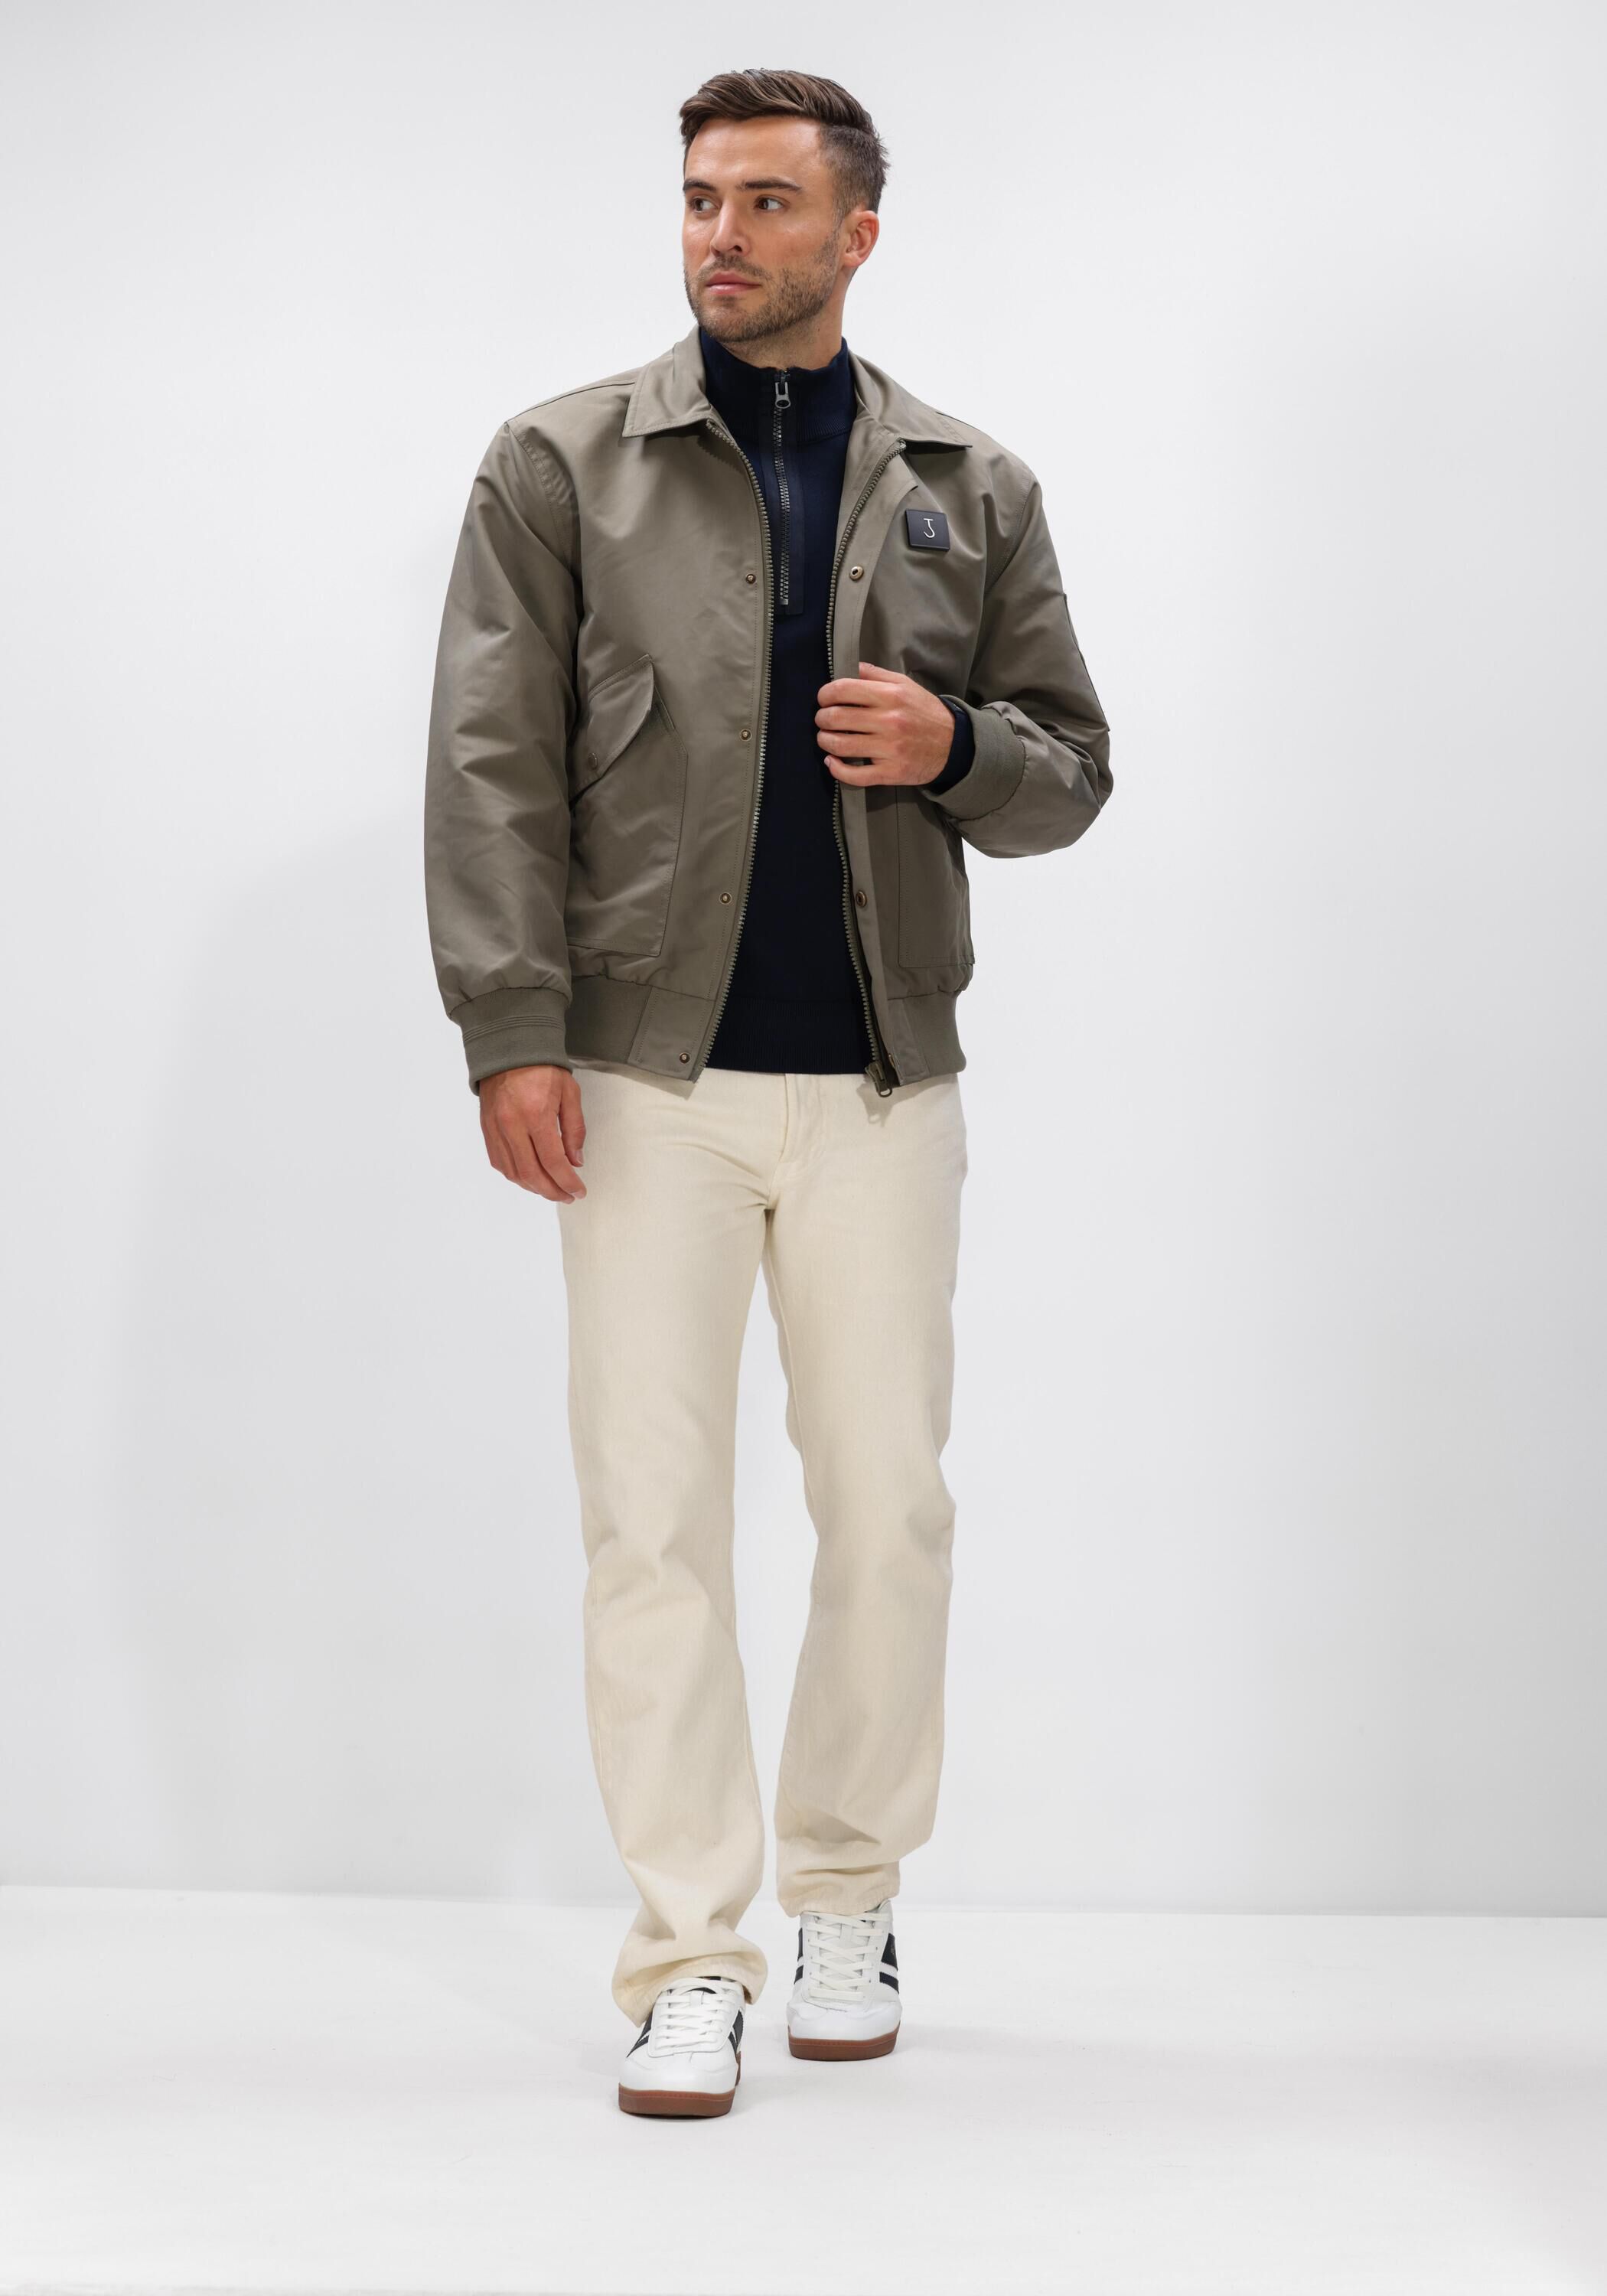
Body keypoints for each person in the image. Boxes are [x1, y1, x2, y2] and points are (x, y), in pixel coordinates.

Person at [423, 66, 1112, 2118]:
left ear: (854, 234)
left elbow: (1072, 770)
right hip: (642, 1085)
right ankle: (687, 1953)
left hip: (883, 1089)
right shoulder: (560, 464)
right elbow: (489, 764)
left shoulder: (971, 483)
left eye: (763, 203)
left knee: (888, 1509)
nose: (719, 235)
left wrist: (956, 748)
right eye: (699, 199)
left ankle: (845, 1898)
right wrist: (509, 1027)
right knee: (652, 1526)